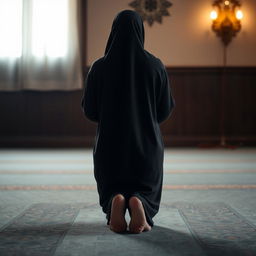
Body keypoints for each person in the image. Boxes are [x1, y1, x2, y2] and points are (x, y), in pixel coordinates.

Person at [81, 9, 175, 234]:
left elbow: (90, 112)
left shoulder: (98, 67)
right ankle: (141, 203)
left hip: (109, 148)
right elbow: (164, 110)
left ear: (113, 32)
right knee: (146, 186)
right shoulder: (155, 65)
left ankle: (116, 198)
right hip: (146, 148)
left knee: (111, 182)